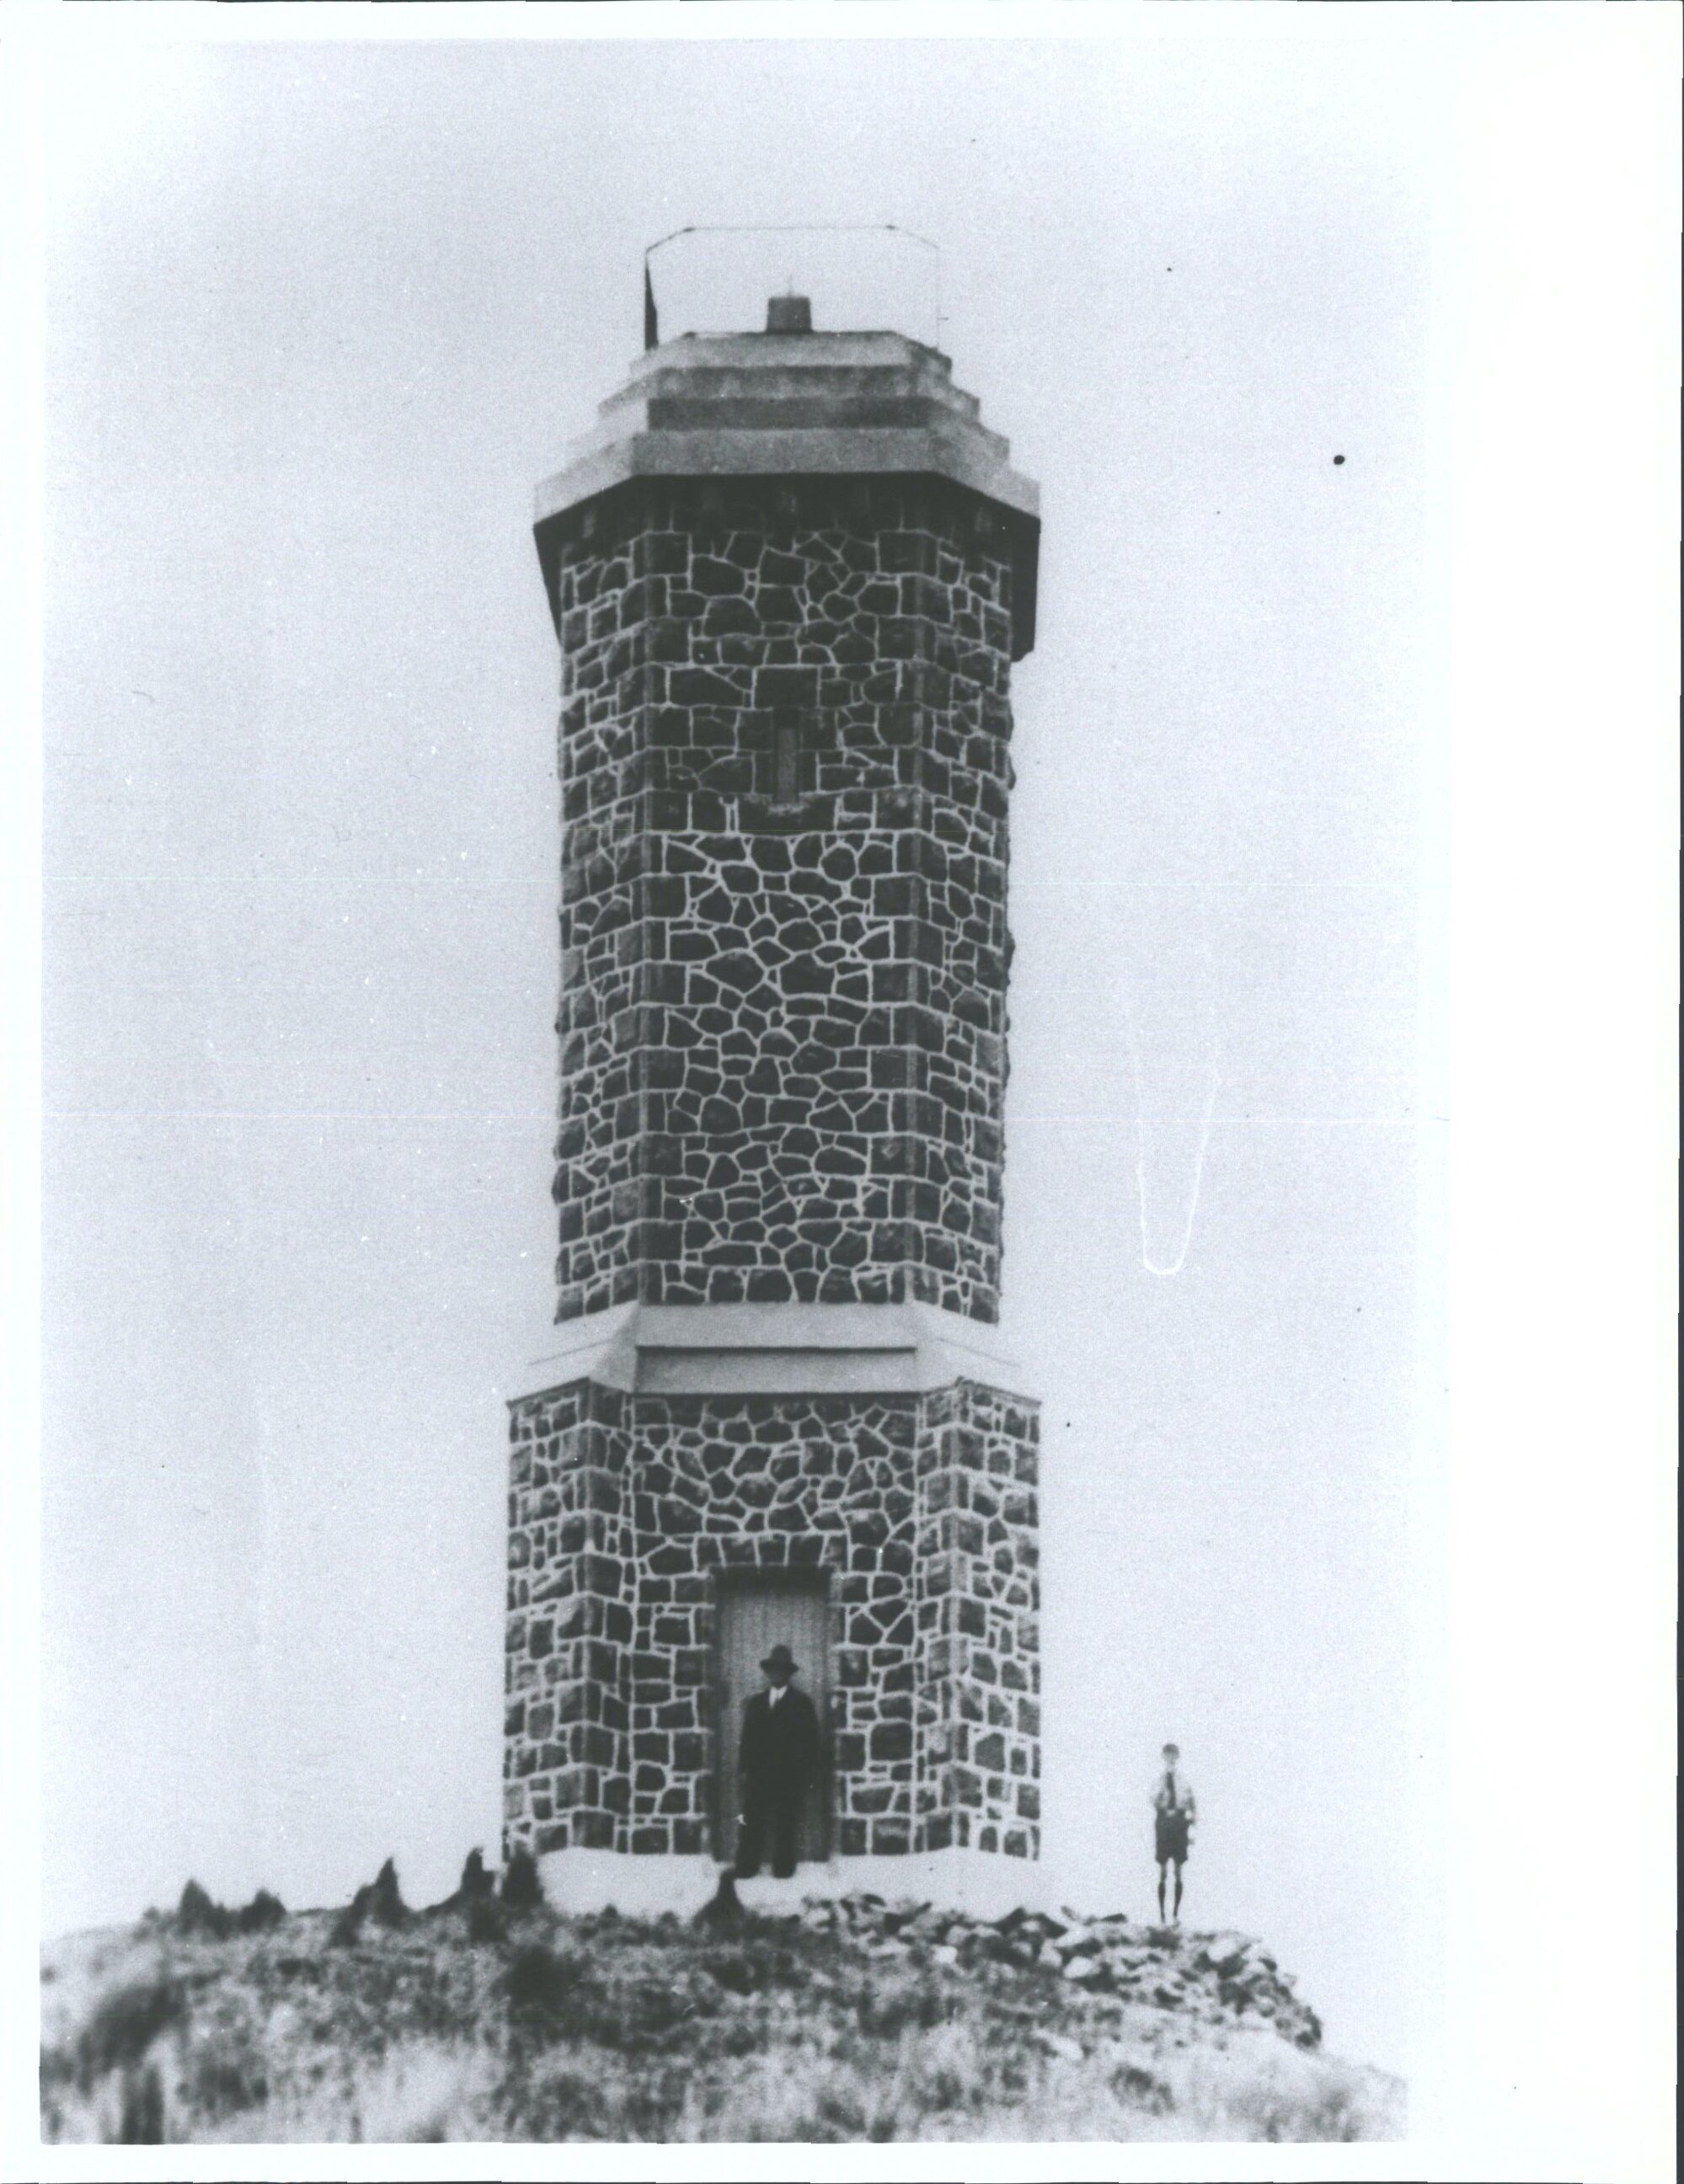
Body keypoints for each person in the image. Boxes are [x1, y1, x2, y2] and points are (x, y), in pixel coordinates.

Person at [735, 1643, 822, 1880]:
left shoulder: (802, 1704)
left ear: (788, 1674)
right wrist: (744, 1769)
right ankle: (747, 1867)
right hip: (759, 1774)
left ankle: (783, 1868)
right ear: (768, 1673)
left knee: (787, 1822)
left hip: (788, 1775)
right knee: (752, 1820)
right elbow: (747, 1739)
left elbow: (811, 1742)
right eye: (773, 1670)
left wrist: (806, 1773)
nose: (777, 1674)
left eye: (782, 1671)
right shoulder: (756, 1703)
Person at [1152, 1742, 1196, 1922]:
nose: (1170, 1759)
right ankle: (1162, 1915)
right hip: (1164, 1822)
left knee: (1178, 1870)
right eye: (1167, 1756)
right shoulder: (1159, 1781)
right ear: (1163, 1758)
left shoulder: (1183, 1781)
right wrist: (1161, 1796)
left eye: (1173, 1755)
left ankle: (1175, 1914)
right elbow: (1153, 1801)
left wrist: (1191, 1827)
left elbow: (1192, 1804)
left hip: (1179, 1824)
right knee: (1163, 1871)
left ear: (1177, 1758)